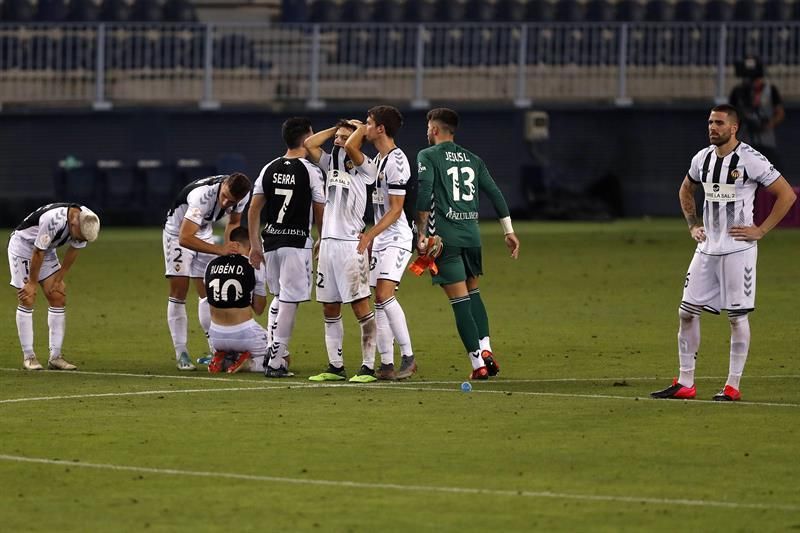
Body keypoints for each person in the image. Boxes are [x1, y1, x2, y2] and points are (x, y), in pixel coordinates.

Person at [651, 104, 797, 402]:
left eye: (718, 123)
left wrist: (761, 230)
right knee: (686, 313)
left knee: (736, 317)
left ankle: (732, 386)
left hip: (738, 251)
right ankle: (685, 383)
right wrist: (693, 225)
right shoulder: (701, 158)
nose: (712, 127)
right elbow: (685, 191)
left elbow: (787, 194)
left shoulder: (750, 159)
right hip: (706, 249)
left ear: (733, 128)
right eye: (709, 122)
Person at [415, 108, 520, 380]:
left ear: (435, 130)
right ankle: (485, 348)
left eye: (428, 127)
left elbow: (425, 193)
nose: (427, 131)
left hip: (444, 239)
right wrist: (508, 231)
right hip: (472, 237)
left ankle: (478, 364)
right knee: (474, 293)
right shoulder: (473, 159)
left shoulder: (427, 156)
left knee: (458, 300)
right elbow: (494, 192)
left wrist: (421, 234)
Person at [248, 117, 326, 378]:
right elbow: (320, 209)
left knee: (280, 297)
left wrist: (255, 245)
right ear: (306, 138)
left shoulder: (268, 168)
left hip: (271, 242)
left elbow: (254, 208)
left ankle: (273, 348)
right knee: (290, 301)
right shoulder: (311, 170)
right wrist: (322, 238)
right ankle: (276, 359)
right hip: (296, 243)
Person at [303, 119, 379, 383]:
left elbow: (351, 145)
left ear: (358, 139)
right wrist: (335, 130)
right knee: (329, 307)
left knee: (360, 306)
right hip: (328, 245)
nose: (338, 141)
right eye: (337, 137)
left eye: (344, 137)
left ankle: (368, 367)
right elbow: (309, 144)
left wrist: (357, 130)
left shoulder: (366, 167)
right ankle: (336, 366)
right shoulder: (331, 163)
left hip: (350, 246)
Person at [344, 105, 416, 380]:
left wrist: (369, 235)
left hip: (397, 237)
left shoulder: (397, 162)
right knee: (379, 300)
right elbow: (351, 149)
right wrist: (359, 128)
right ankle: (386, 364)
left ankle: (408, 356)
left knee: (385, 295)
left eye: (368, 123)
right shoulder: (380, 161)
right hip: (381, 238)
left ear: (381, 129)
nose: (365, 127)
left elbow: (396, 209)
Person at [163, 172, 252, 371]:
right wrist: (220, 249)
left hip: (204, 232)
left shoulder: (242, 195)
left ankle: (216, 350)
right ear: (224, 184)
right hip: (177, 234)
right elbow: (184, 237)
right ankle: (182, 353)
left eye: (232, 201)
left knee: (210, 293)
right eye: (225, 196)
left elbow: (234, 222)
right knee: (179, 292)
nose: (227, 202)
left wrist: (231, 248)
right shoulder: (201, 197)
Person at [7, 203, 100, 370]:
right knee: (27, 297)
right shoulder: (53, 220)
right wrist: (32, 284)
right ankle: (29, 356)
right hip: (24, 247)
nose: (79, 241)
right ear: (73, 223)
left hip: (46, 249)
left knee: (58, 296)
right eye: (78, 237)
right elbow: (37, 252)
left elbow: (74, 250)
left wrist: (59, 278)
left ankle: (55, 357)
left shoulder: (87, 220)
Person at [205, 227, 269, 374]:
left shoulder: (211, 265)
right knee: (282, 358)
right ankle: (250, 364)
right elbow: (259, 309)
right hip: (244, 332)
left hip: (215, 335)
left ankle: (223, 358)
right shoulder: (254, 265)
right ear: (250, 244)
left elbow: (210, 300)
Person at [729, 57, 785, 168]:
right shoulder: (738, 92)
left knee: (771, 172)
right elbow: (730, 114)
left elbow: (780, 113)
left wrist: (769, 124)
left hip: (766, 140)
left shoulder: (770, 90)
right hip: (744, 139)